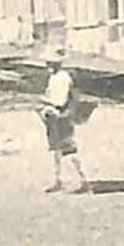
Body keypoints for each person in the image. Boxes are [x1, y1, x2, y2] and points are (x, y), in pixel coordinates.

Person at [40, 47, 89, 195]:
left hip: (62, 115)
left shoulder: (63, 78)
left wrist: (44, 100)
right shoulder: (53, 77)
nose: (47, 65)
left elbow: (60, 100)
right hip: (53, 116)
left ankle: (82, 181)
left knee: (68, 149)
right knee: (55, 149)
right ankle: (58, 180)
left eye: (50, 62)